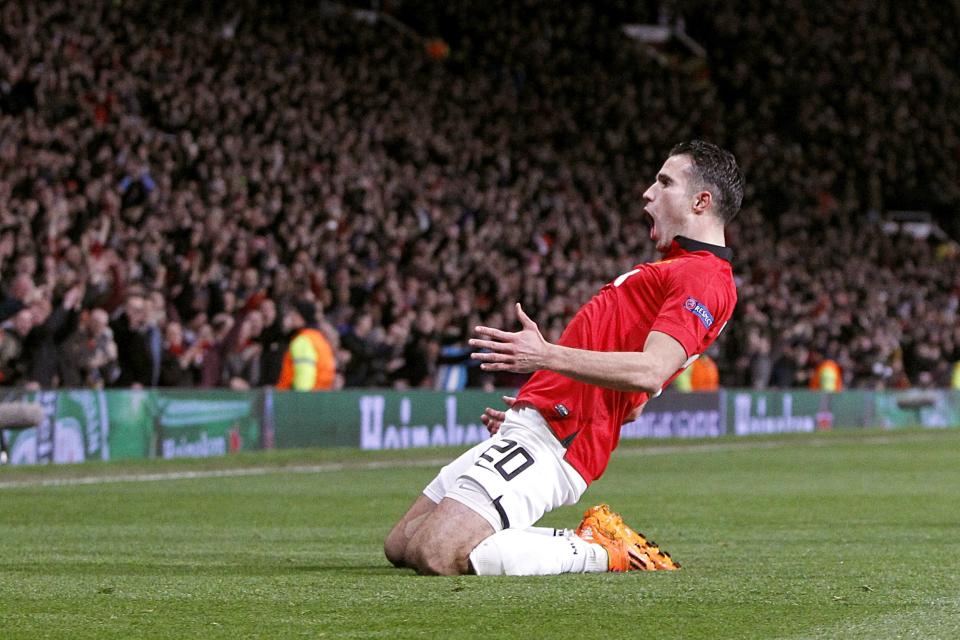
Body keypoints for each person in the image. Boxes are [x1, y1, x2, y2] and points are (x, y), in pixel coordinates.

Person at [384, 140, 743, 576]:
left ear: (701, 201)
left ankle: (599, 550)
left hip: (560, 437)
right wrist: (535, 402)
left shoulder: (702, 277)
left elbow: (650, 372)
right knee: (402, 545)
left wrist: (546, 356)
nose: (648, 193)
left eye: (664, 182)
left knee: (436, 553)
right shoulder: (677, 268)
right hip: (544, 421)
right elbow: (635, 403)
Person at [275, 300, 336, 391]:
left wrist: (301, 401)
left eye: (294, 313)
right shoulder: (319, 339)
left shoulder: (303, 341)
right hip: (320, 397)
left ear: (301, 316)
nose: (291, 317)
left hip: (299, 400)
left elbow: (304, 378)